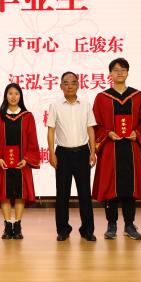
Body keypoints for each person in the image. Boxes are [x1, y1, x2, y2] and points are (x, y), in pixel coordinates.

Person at [92, 58, 141, 241]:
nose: (119, 73)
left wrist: (136, 133)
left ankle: (129, 225)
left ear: (127, 72)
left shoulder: (137, 96)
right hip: (110, 148)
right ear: (110, 73)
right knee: (110, 187)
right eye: (116, 70)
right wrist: (107, 133)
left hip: (130, 148)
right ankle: (111, 225)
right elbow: (95, 124)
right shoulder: (102, 97)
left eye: (123, 69)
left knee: (129, 188)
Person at [47, 72, 97, 242]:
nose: (70, 86)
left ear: (78, 85)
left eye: (73, 82)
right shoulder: (55, 106)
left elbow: (91, 128)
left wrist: (92, 151)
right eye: (66, 83)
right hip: (63, 153)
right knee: (62, 194)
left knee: (85, 194)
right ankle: (63, 230)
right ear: (61, 86)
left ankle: (87, 230)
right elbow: (51, 130)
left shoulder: (86, 105)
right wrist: (51, 153)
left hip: (83, 152)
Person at [0, 83, 40, 239]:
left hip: (21, 163)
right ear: (5, 96)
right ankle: (7, 225)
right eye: (10, 93)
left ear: (20, 96)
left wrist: (27, 159)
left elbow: (32, 140)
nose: (13, 96)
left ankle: (17, 225)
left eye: (16, 93)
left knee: (19, 194)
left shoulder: (27, 116)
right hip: (3, 163)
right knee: (4, 194)